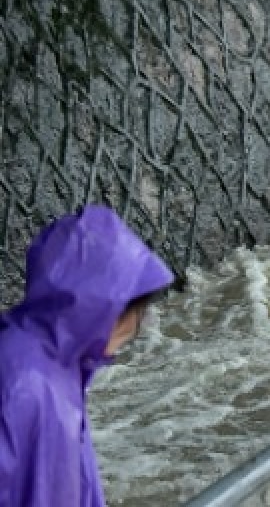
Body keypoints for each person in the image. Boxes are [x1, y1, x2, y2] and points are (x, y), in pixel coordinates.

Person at [1, 204, 174, 507]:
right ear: (105, 309)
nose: (138, 326)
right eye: (137, 312)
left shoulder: (60, 364)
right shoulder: (24, 382)